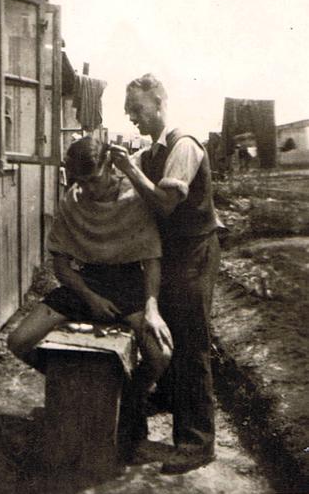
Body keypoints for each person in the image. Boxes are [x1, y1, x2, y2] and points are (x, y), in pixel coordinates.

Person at [8, 135, 173, 450]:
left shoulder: (134, 199)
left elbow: (151, 261)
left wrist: (151, 308)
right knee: (18, 341)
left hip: (127, 285)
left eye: (94, 179)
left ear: (110, 167)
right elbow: (61, 265)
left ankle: (127, 397)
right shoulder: (73, 200)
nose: (88, 189)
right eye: (81, 181)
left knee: (161, 354)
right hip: (85, 284)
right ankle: (82, 388)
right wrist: (89, 297)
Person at [110, 73, 222, 474]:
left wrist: (128, 169)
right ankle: (175, 400)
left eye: (137, 108)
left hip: (193, 252)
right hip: (171, 253)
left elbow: (165, 204)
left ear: (159, 103)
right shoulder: (154, 149)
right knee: (169, 331)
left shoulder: (184, 145)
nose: (131, 116)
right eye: (128, 110)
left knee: (191, 344)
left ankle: (197, 442)